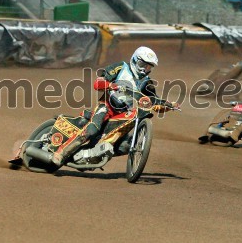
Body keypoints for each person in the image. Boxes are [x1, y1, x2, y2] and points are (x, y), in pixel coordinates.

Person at [51, 46, 179, 166]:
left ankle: (93, 154)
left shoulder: (146, 82)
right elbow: (98, 83)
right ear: (135, 60)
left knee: (126, 146)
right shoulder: (120, 67)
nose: (144, 69)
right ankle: (61, 152)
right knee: (92, 130)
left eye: (148, 67)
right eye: (143, 65)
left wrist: (169, 105)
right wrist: (110, 85)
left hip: (122, 113)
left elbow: (152, 101)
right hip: (106, 106)